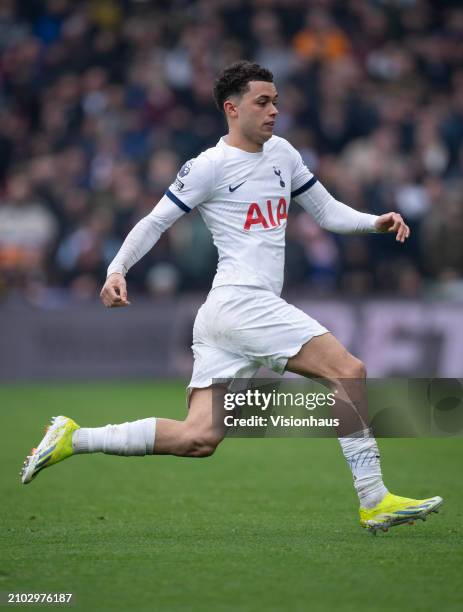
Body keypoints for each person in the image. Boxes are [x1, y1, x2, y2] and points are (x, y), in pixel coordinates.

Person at [21, 62, 442, 533]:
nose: (274, 111)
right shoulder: (209, 166)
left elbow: (326, 212)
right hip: (242, 302)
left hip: (224, 314)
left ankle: (73, 438)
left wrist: (373, 221)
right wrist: (117, 269)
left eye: (276, 101)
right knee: (349, 371)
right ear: (232, 108)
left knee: (198, 438)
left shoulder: (282, 154)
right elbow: (155, 221)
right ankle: (374, 499)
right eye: (263, 102)